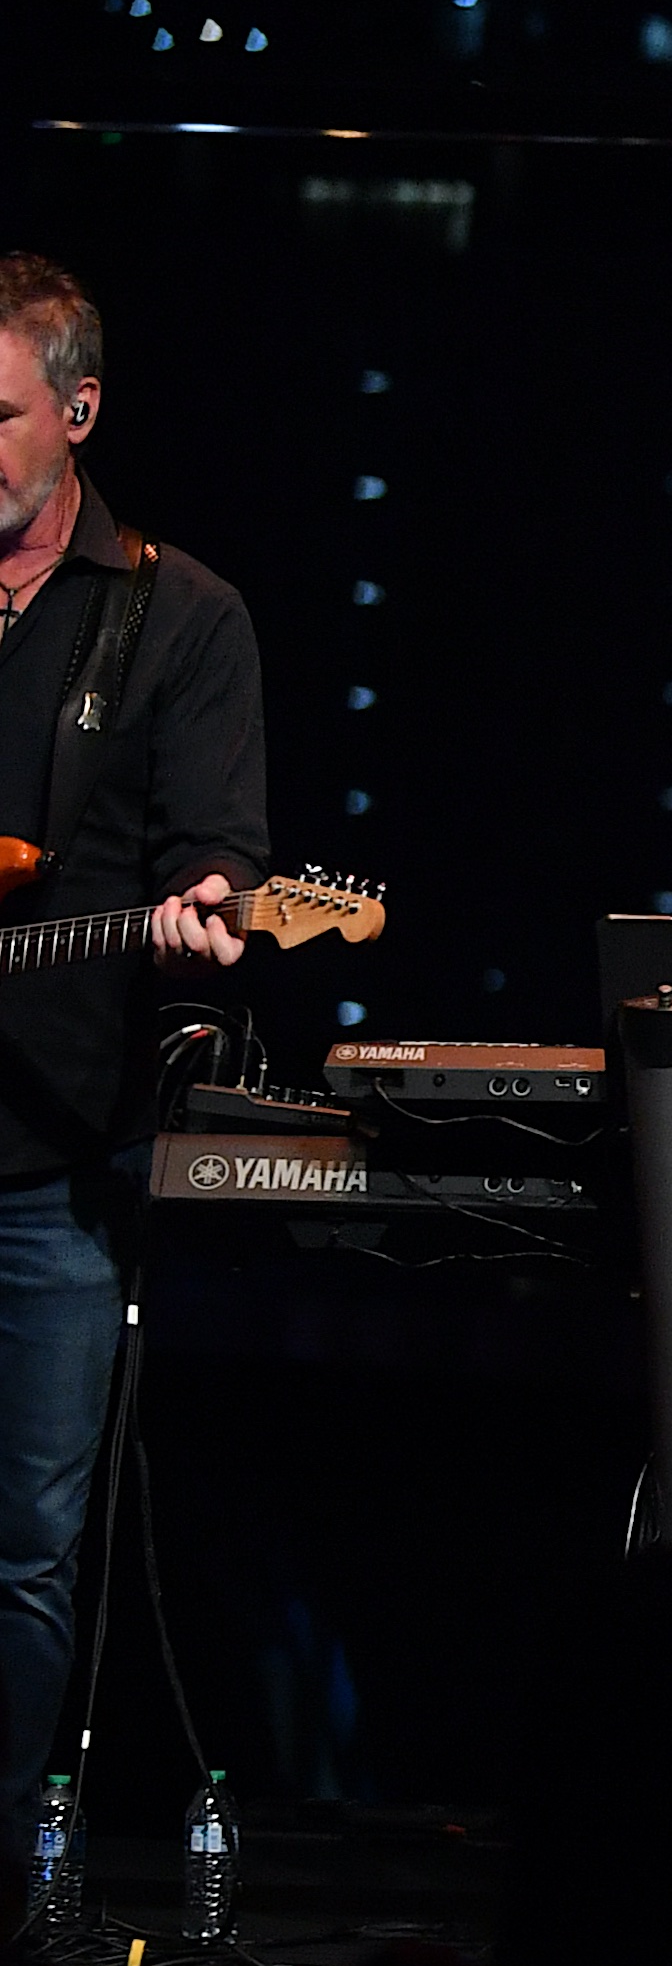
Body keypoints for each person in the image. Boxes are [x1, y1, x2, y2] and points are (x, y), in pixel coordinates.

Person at [0, 257, 260, 1836]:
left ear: (76, 413)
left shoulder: (180, 615)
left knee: (20, 1553)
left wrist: (202, 922)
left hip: (47, 1168)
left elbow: (220, 859)